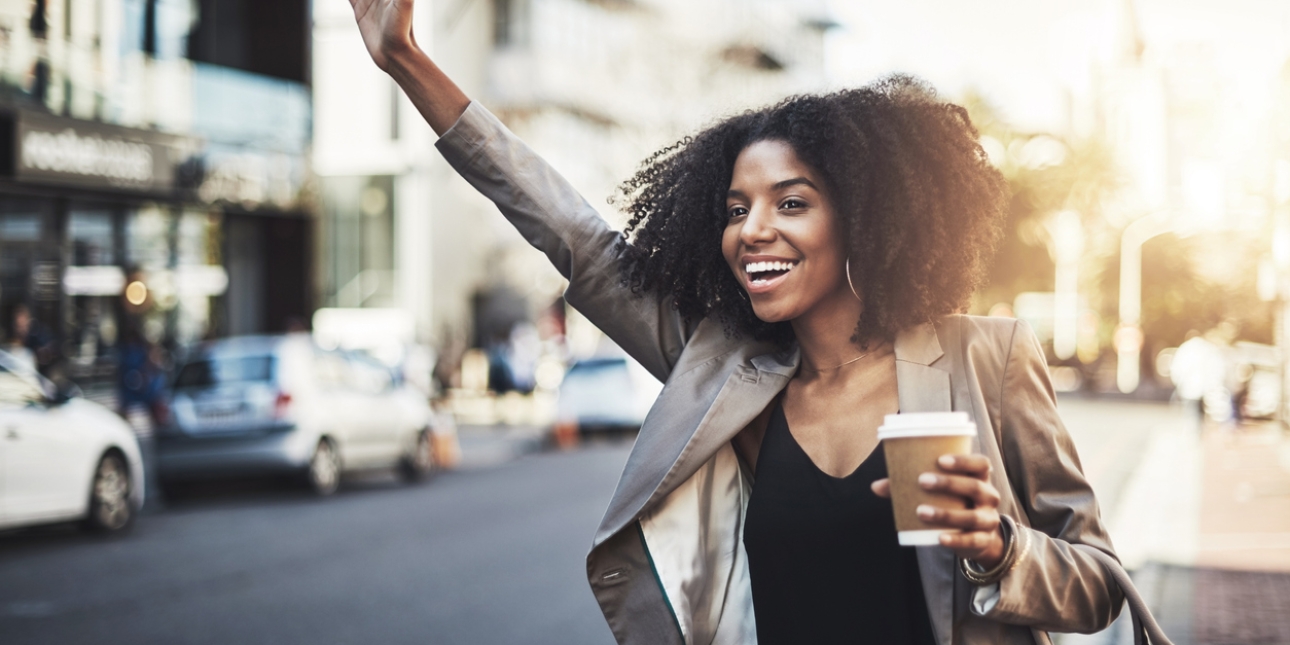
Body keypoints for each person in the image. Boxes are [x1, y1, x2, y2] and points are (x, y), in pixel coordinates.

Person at [349, 2, 1127, 643]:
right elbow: (571, 229)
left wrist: (1001, 548)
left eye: (791, 202)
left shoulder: (985, 359)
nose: (752, 230)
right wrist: (407, 61)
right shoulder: (728, 372)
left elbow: (1100, 584)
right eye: (734, 209)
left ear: (864, 218)